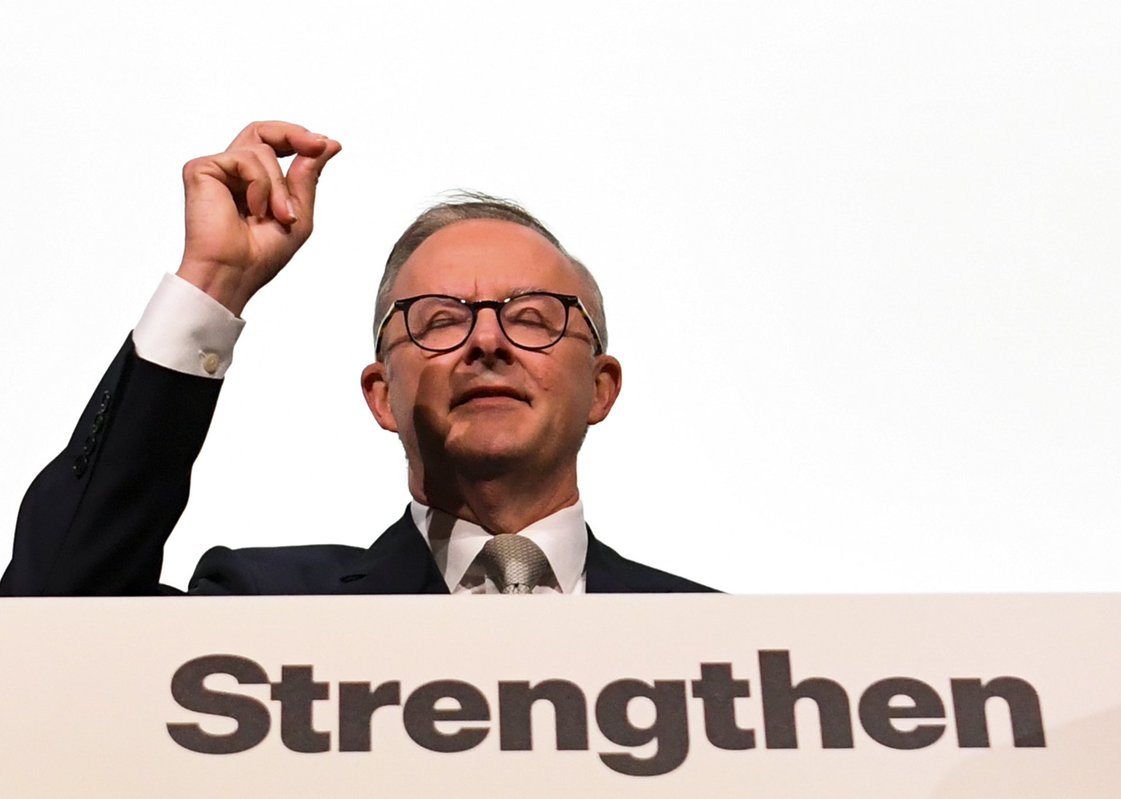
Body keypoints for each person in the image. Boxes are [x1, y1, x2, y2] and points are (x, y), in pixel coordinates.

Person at [0, 121, 713, 596]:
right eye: (441, 320)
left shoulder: (726, 649)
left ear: (601, 387)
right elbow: (51, 618)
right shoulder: (268, 611)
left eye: (532, 317)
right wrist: (214, 281)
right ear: (380, 394)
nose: (487, 341)